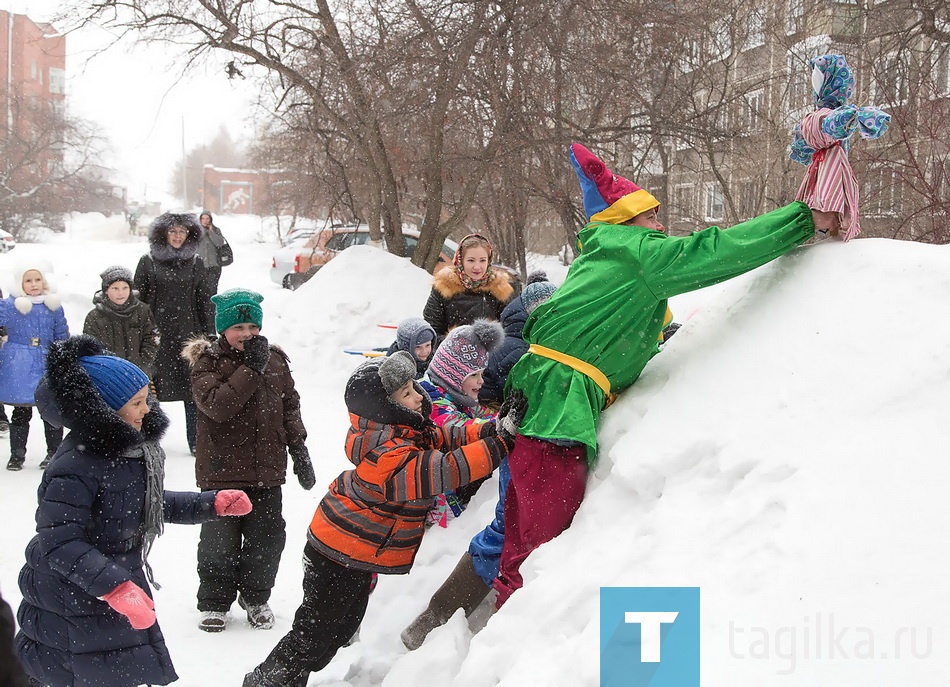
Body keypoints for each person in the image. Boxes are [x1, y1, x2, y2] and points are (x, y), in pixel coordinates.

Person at [491, 142, 840, 609]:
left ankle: (500, 628)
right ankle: (521, 641)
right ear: (625, 220)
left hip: (538, 407)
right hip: (557, 416)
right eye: (652, 216)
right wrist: (803, 219)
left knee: (520, 532)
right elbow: (716, 250)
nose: (661, 227)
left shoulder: (601, 257)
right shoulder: (636, 252)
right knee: (545, 547)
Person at [242, 351, 525, 687]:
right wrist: (500, 444)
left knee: (339, 629)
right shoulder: (387, 454)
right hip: (337, 552)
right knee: (314, 636)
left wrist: (492, 428)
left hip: (355, 554)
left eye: (414, 387)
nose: (419, 396)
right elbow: (443, 470)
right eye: (407, 393)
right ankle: (265, 681)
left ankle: (289, 678)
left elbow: (447, 438)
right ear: (385, 408)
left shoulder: (404, 431)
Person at [14, 334, 252, 687]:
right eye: (137, 403)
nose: (147, 410)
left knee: (109, 672)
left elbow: (143, 502)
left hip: (107, 581)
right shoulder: (75, 464)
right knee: (74, 674)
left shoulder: (127, 452)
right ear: (104, 410)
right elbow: (59, 541)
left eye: (147, 400)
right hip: (70, 594)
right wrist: (113, 588)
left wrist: (209, 503)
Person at [402, 281, 556, 650]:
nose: (482, 383)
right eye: (476, 376)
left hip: (452, 501)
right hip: (437, 511)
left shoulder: (451, 398)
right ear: (455, 375)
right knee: (499, 536)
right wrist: (495, 432)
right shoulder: (433, 405)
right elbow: (456, 431)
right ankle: (431, 626)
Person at [183, 288, 315, 633]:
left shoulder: (274, 360)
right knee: (219, 541)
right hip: (221, 472)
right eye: (238, 327)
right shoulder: (206, 362)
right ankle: (214, 601)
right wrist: (250, 369)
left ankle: (256, 596)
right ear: (223, 330)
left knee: (267, 539)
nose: (246, 334)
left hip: (267, 469)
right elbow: (219, 406)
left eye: (251, 326)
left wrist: (298, 449)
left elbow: (290, 405)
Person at [134, 213, 216, 455]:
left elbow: (204, 300)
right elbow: (138, 299)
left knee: (193, 390)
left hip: (187, 335)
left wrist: (209, 333)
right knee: (150, 389)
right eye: (173, 231)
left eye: (182, 231)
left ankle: (195, 440)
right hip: (156, 335)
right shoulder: (148, 261)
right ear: (163, 234)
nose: (178, 236)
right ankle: (150, 438)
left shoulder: (196, 262)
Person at [0, 260, 69, 470]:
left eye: (37, 279)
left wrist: (63, 358)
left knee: (50, 411)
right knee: (21, 412)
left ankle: (54, 452)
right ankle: (17, 455)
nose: (33, 284)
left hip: (47, 360)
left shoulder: (53, 306)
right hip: (18, 362)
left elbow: (61, 335)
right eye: (28, 280)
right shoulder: (11, 305)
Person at [479, 271, 557, 407]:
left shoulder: (519, 338)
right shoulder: (521, 349)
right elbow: (521, 392)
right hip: (489, 406)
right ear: (535, 317)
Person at [422, 233, 515, 340]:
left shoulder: (499, 288)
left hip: (490, 354)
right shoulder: (444, 286)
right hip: (451, 353)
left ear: (489, 261)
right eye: (471, 260)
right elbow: (432, 329)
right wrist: (453, 347)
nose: (477, 266)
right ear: (460, 260)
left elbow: (510, 328)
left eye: (482, 260)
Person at [83, 265, 161, 377]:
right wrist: (111, 368)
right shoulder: (94, 317)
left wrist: (141, 364)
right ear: (106, 290)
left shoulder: (142, 311)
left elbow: (153, 338)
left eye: (125, 288)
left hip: (139, 375)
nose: (121, 293)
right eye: (115, 289)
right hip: (109, 377)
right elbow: (91, 348)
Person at [197, 211, 233, 295]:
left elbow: (220, 243)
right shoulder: (196, 231)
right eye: (203, 218)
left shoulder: (216, 230)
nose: (205, 220)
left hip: (214, 265)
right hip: (201, 265)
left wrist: (210, 232)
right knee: (201, 290)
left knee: (212, 288)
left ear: (210, 219)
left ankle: (212, 306)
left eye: (207, 218)